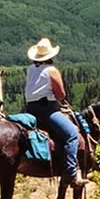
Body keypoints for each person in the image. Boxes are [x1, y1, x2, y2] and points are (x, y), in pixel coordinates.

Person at [24, 37, 87, 188]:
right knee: (72, 134)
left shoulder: (31, 69)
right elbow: (61, 95)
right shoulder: (52, 71)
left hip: (30, 108)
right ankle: (71, 172)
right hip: (47, 109)